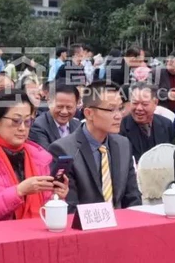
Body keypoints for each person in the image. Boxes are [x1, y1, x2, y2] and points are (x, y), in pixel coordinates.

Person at [0, 91, 67, 223]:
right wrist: (18, 192)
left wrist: (57, 197)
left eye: (27, 121)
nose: (22, 128)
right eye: (16, 121)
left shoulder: (38, 157)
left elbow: (44, 209)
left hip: (36, 232)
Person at [49, 81, 141, 211]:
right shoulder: (63, 149)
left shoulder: (123, 144)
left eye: (120, 108)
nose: (118, 116)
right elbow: (70, 207)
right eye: (111, 109)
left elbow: (133, 197)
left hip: (122, 220)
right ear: (89, 113)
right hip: (85, 221)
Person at [119, 82, 175, 160]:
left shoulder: (166, 124)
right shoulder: (120, 127)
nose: (139, 108)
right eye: (135, 103)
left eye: (144, 104)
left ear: (155, 103)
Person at [29, 84, 81, 151]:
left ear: (76, 105)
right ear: (49, 103)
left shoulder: (79, 126)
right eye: (59, 106)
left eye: (69, 107)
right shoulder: (38, 126)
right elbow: (47, 154)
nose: (64, 111)